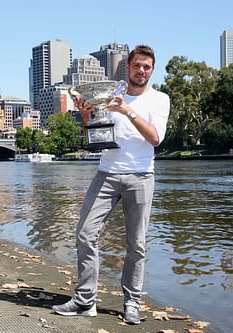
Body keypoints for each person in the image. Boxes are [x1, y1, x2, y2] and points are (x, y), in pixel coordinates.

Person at [52, 45, 170, 325]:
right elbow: (95, 135)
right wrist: (85, 116)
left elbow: (155, 139)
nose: (141, 71)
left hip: (141, 176)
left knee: (136, 245)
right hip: (106, 173)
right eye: (137, 65)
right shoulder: (111, 94)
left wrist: (127, 111)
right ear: (127, 68)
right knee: (84, 233)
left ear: (151, 71)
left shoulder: (159, 99)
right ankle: (85, 301)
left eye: (147, 67)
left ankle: (132, 303)